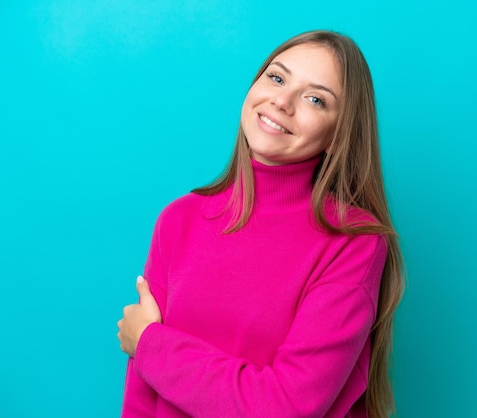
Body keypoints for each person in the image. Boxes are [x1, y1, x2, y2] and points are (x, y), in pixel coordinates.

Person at [117, 30, 404, 418]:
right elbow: (141, 396)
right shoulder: (178, 219)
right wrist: (147, 349)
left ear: (339, 135)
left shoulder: (354, 242)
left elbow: (284, 408)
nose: (282, 101)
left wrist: (150, 344)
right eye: (277, 77)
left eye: (315, 99)